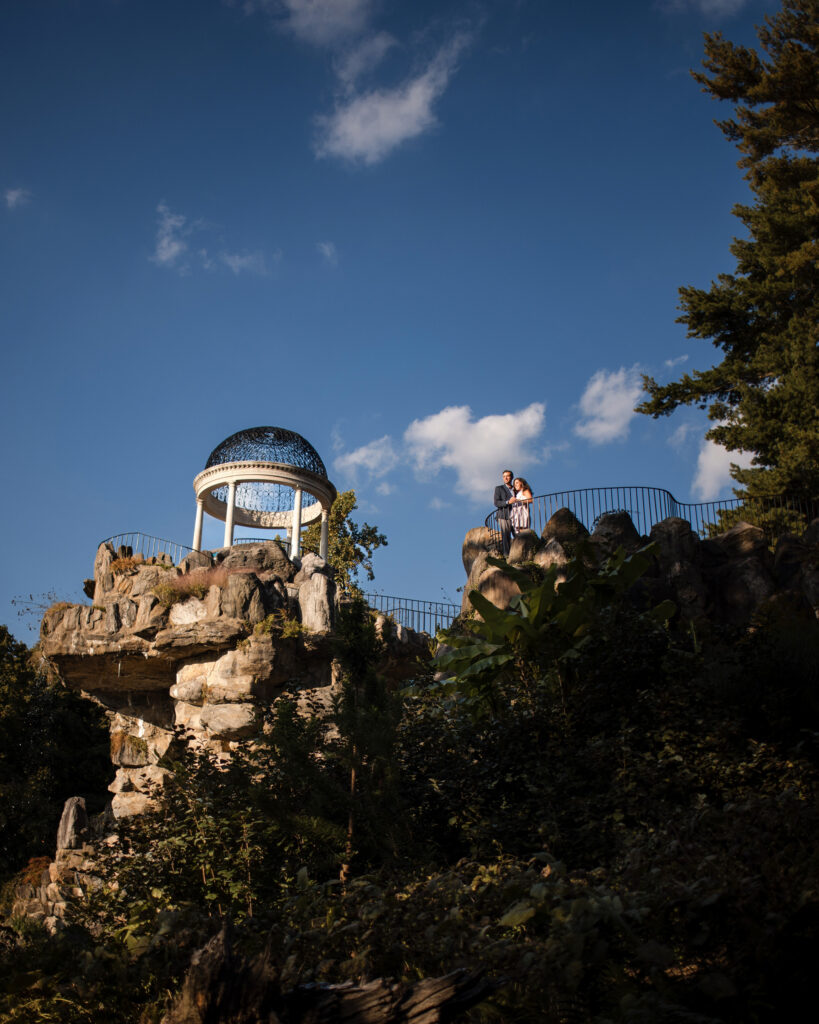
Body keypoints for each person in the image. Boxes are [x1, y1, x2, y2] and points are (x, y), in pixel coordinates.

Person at [493, 469, 515, 556]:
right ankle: (507, 555)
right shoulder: (499, 488)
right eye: (504, 476)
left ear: (512, 477)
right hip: (504, 515)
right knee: (506, 535)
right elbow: (496, 502)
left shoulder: (515, 489)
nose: (505, 478)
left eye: (507, 476)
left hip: (516, 515)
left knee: (518, 535)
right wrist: (508, 502)